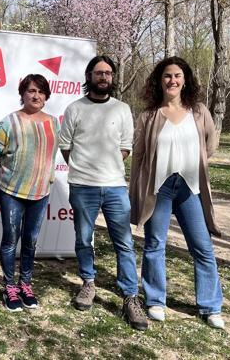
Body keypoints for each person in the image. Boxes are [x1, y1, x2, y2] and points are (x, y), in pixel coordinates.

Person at [130, 56, 225, 329]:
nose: (172, 80)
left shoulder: (199, 111)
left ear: (185, 81)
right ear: (159, 81)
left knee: (203, 247)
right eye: (167, 76)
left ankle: (210, 306)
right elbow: (139, 156)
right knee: (154, 245)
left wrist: (194, 164)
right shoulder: (148, 116)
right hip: (158, 189)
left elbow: (210, 146)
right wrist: (135, 189)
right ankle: (155, 300)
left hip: (189, 188)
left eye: (177, 76)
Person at [59, 55, 148, 330]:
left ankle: (130, 298)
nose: (103, 77)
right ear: (89, 76)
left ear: (113, 78)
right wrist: (84, 168)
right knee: (84, 239)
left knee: (124, 242)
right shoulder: (75, 108)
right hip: (82, 186)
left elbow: (125, 147)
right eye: (98, 72)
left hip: (114, 187)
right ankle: (88, 283)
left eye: (108, 73)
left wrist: (106, 167)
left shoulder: (122, 109)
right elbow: (65, 146)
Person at [0, 74, 60, 311]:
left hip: (41, 192)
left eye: (41, 91)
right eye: (31, 91)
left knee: (30, 241)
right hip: (12, 191)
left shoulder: (54, 123)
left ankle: (25, 284)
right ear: (22, 94)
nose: (36, 95)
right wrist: (13, 171)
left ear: (46, 96)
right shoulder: (9, 122)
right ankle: (9, 287)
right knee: (11, 239)